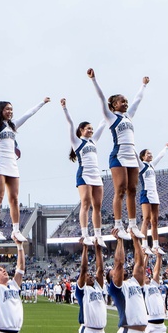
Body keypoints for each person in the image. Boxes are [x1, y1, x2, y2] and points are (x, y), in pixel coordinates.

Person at [0, 79, 49, 242]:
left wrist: (42, 102)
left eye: (11, 109)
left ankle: (16, 230)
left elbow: (29, 114)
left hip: (12, 165)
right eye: (7, 109)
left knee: (15, 198)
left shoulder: (13, 126)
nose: (10, 111)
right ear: (1, 111)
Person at [89, 68, 150, 240]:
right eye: (122, 102)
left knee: (132, 189)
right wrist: (94, 79)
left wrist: (143, 86)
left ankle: (132, 224)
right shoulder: (110, 117)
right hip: (119, 155)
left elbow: (138, 100)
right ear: (114, 105)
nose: (125, 104)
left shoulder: (128, 117)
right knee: (121, 189)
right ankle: (118, 224)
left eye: (126, 101)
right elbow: (101, 98)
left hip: (132, 155)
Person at [61, 98, 107, 247]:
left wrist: (108, 109)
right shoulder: (77, 142)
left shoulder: (93, 141)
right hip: (84, 175)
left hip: (96, 176)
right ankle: (85, 234)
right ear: (81, 130)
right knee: (85, 204)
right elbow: (70, 124)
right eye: (88, 128)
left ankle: (98, 235)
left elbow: (103, 123)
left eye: (91, 129)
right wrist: (65, 108)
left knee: (98, 206)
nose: (91, 131)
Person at [137, 143, 168, 254]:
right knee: (146, 219)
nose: (150, 155)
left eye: (151, 153)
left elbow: (160, 156)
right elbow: (134, 155)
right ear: (143, 156)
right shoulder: (142, 166)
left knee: (155, 221)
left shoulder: (152, 165)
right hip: (146, 193)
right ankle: (144, 244)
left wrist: (165, 147)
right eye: (148, 153)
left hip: (154, 194)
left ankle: (156, 245)